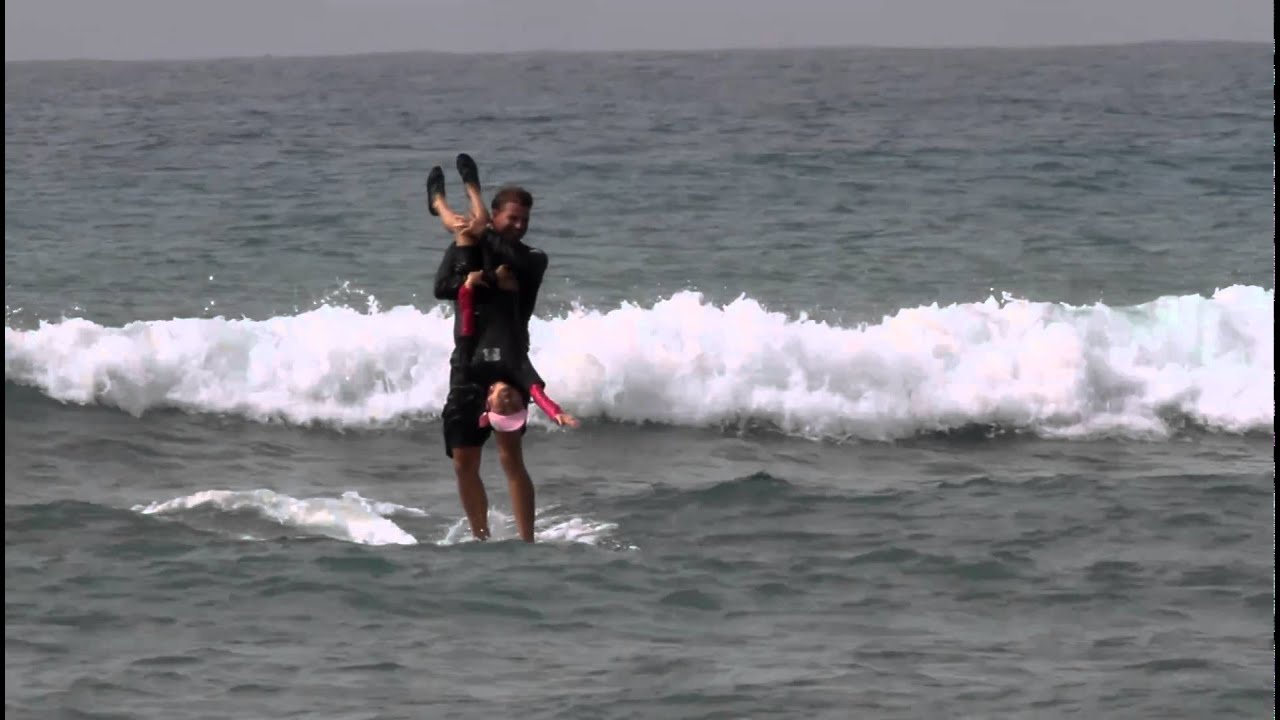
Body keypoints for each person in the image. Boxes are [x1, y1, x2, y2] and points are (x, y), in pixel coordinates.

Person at [429, 155, 578, 543]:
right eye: (512, 218)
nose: (519, 226)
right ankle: (481, 538)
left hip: (509, 359)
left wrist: (480, 238)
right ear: (495, 216)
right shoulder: (470, 250)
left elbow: (513, 263)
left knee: (511, 457)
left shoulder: (531, 259)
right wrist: (471, 280)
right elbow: (441, 287)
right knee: (464, 461)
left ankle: (527, 541)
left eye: (524, 220)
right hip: (466, 359)